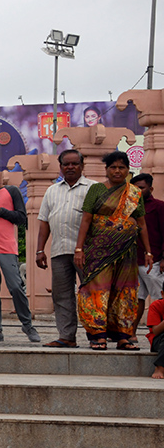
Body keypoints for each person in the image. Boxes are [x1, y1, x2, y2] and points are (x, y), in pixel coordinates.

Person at [74, 150, 152, 350]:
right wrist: (79, 249)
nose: (117, 171)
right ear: (106, 170)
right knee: (98, 290)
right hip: (98, 251)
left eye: (122, 167)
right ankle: (97, 334)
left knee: (124, 292)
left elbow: (141, 223)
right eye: (113, 167)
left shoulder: (134, 193)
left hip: (126, 251)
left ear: (128, 170)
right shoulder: (96, 190)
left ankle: (123, 335)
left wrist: (148, 252)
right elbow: (86, 220)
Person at [0, 163, 41, 344]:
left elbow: (21, 218)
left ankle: (27, 325)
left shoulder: (11, 191)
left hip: (7, 249)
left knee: (16, 287)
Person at [34, 149, 93, 348]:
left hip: (87, 253)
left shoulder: (93, 188)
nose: (70, 167)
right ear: (60, 167)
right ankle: (67, 336)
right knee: (61, 295)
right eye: (66, 164)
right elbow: (44, 222)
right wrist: (40, 250)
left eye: (74, 163)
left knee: (93, 293)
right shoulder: (52, 190)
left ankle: (97, 336)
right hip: (59, 251)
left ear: (82, 166)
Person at [131, 173, 164, 339]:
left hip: (154, 261)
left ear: (150, 189)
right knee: (137, 298)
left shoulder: (159, 207)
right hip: (132, 262)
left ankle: (160, 334)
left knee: (160, 297)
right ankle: (131, 333)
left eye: (141, 187)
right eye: (135, 187)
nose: (138, 190)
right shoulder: (128, 208)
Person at [144, 294, 164, 378]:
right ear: (163, 294)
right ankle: (160, 367)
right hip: (159, 339)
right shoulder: (156, 305)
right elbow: (156, 331)